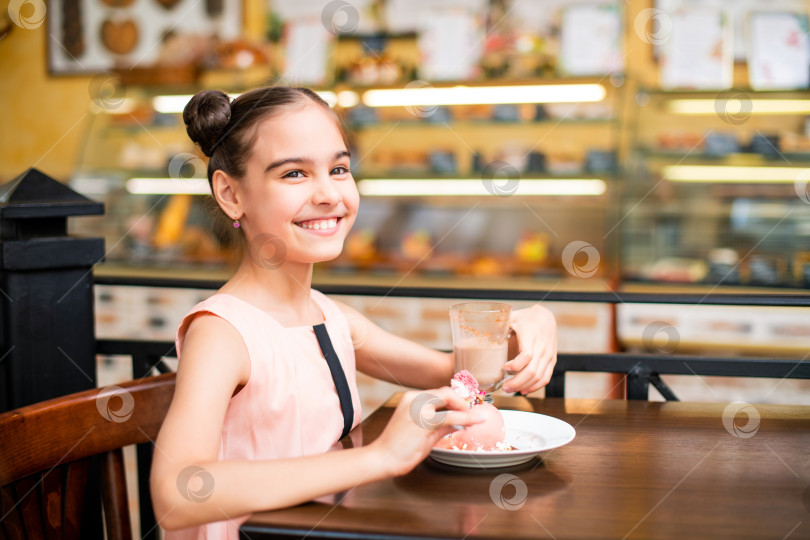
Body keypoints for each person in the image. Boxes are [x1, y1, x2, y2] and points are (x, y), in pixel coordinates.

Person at [150, 86, 558, 539]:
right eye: (293, 174)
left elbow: (462, 375)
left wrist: (532, 322)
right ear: (230, 194)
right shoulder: (223, 333)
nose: (328, 193)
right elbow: (177, 493)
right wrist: (379, 457)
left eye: (339, 168)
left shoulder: (331, 318)